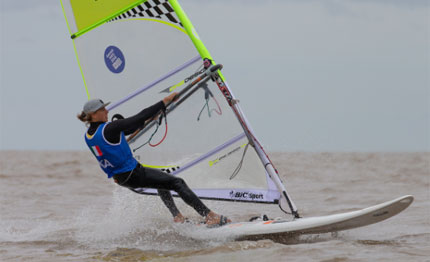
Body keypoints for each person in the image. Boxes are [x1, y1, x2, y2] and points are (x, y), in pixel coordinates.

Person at [77, 93, 230, 226]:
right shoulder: (109, 128)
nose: (107, 111)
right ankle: (210, 216)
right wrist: (164, 101)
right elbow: (139, 116)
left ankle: (178, 217)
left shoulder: (88, 136)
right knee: (178, 183)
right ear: (93, 114)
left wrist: (149, 118)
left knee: (161, 181)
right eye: (102, 109)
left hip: (121, 178)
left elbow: (129, 129)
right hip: (133, 173)